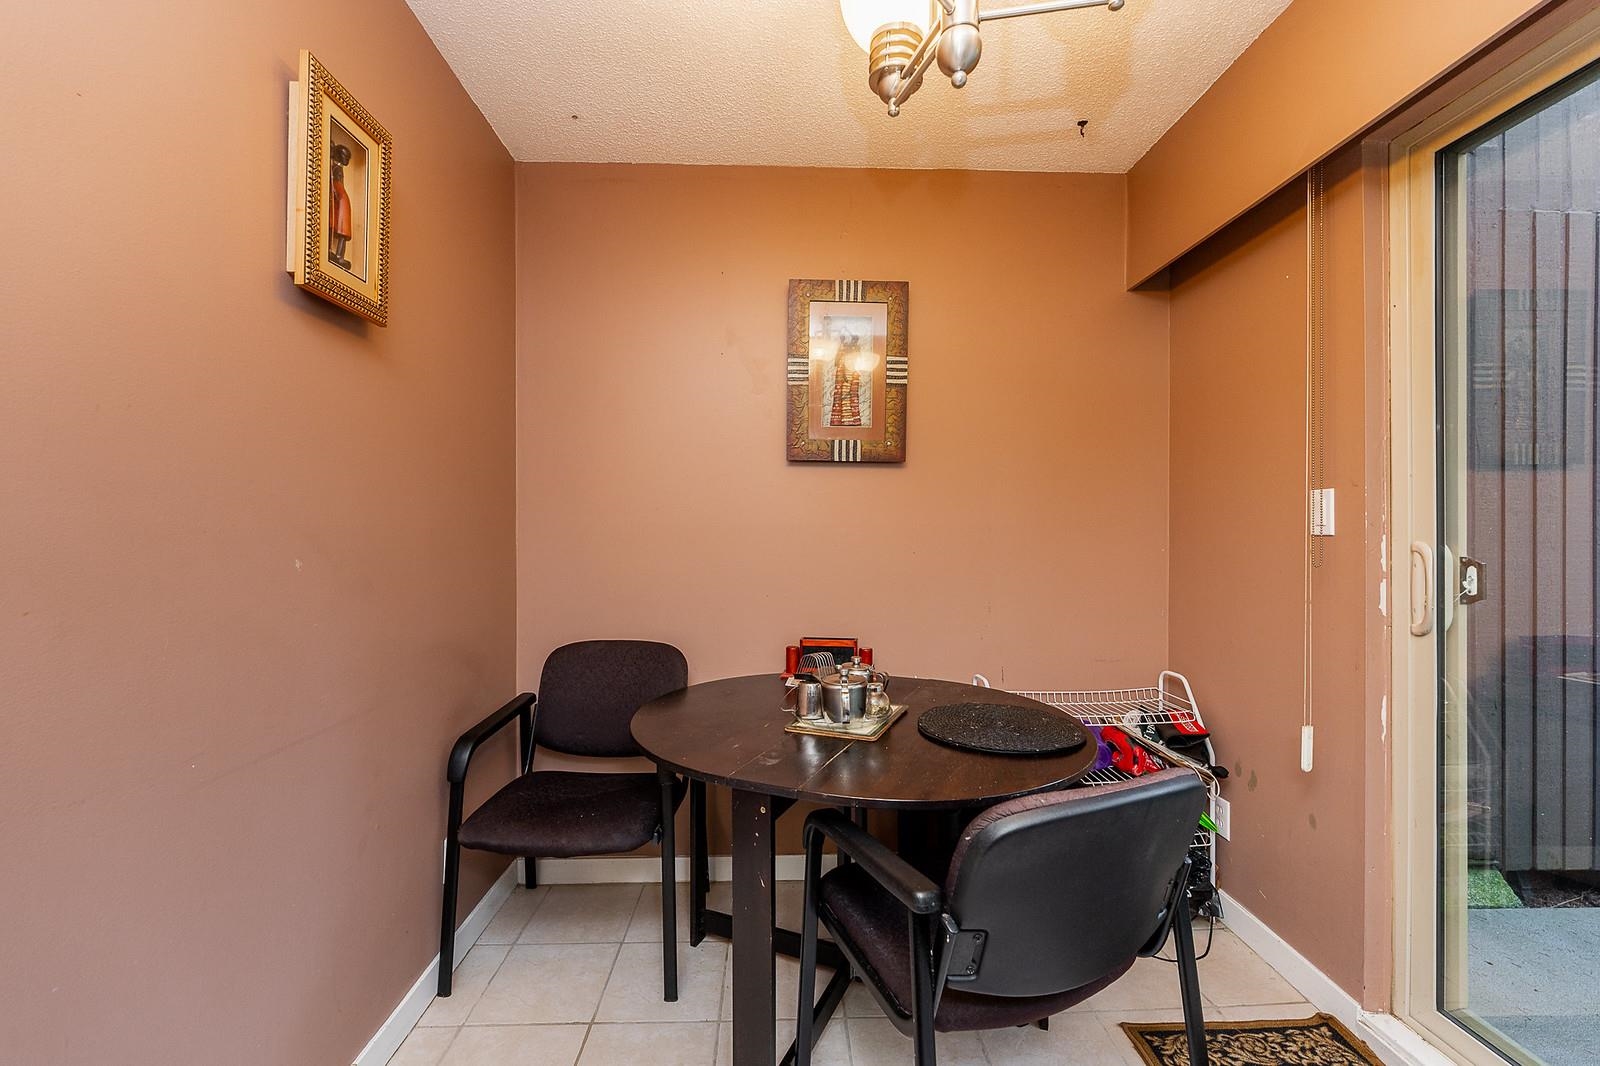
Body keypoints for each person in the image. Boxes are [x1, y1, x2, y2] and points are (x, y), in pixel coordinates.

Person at [328, 143, 353, 271]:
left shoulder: (337, 169)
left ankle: (339, 255)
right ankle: (335, 253)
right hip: (340, 199)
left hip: (342, 200)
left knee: (342, 228)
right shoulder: (335, 169)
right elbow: (335, 184)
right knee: (334, 225)